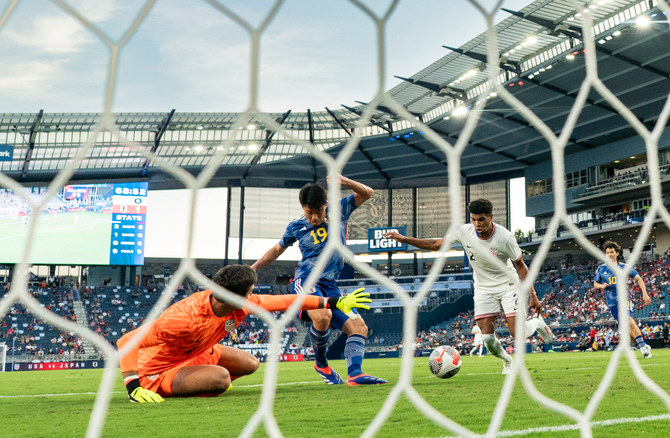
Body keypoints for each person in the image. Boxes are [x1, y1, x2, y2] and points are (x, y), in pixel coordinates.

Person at [117, 264, 372, 402]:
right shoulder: (182, 318)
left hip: (195, 352)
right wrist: (134, 387)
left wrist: (333, 303)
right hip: (157, 371)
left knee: (249, 364)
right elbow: (127, 340)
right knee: (221, 379)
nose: (254, 296)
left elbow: (286, 300)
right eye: (250, 291)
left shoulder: (240, 305)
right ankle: (188, 385)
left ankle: (196, 380)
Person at [384, 198, 554, 374]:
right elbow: (435, 245)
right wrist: (403, 239)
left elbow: (521, 266)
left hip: (508, 284)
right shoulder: (464, 232)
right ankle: (508, 361)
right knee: (487, 339)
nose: (477, 224)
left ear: (491, 217)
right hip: (483, 287)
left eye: (481, 219)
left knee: (517, 333)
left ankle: (537, 323)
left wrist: (533, 295)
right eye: (473, 219)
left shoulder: (505, 237)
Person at [251, 175, 386, 386]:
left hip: (331, 285)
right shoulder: (296, 226)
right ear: (303, 208)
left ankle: (355, 374)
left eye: (319, 211)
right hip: (306, 281)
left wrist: (344, 182)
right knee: (322, 316)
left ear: (326, 205)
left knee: (359, 327)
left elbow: (367, 193)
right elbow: (277, 249)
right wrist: (254, 268)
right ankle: (321, 363)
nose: (314, 217)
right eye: (309, 212)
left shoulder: (339, 209)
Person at [593, 240, 652, 358]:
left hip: (624, 298)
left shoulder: (624, 267)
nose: (609, 254)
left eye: (612, 252)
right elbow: (595, 284)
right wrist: (601, 286)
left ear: (617, 253)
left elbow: (638, 279)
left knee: (629, 320)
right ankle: (642, 343)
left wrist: (645, 294)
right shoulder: (601, 269)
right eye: (607, 252)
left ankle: (643, 348)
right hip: (612, 303)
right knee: (627, 330)